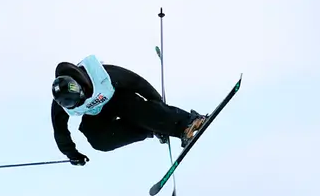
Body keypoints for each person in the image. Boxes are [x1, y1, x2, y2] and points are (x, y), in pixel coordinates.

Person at [51, 54, 208, 166]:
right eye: (75, 104)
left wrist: (158, 105)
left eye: (81, 98)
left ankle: (188, 122)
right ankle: (150, 129)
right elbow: (60, 131)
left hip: (117, 97)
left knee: (135, 109)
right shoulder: (60, 105)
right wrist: (72, 154)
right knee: (98, 140)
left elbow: (136, 82)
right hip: (97, 114)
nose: (81, 102)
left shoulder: (101, 75)